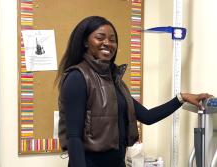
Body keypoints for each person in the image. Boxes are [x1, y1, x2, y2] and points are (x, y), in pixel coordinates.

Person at [56, 16, 211, 167]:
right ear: (85, 42)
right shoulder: (77, 77)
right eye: (100, 37)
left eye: (112, 39)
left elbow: (147, 116)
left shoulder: (114, 81)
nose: (107, 43)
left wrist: (181, 98)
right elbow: (73, 137)